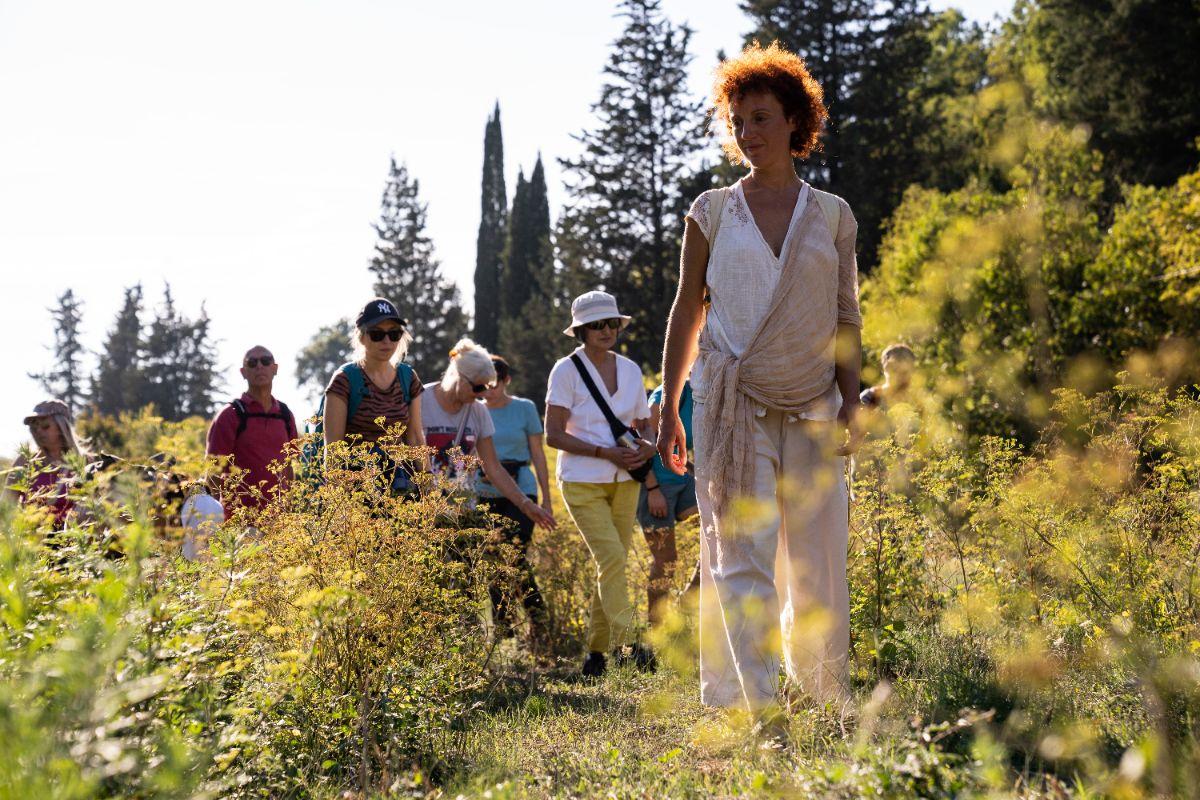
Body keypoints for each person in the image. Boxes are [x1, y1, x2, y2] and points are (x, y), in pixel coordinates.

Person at [657, 42, 863, 714]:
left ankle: (825, 695)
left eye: (761, 118)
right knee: (741, 554)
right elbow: (688, 309)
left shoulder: (832, 215)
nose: (747, 133)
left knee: (818, 558)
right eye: (738, 121)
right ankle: (755, 707)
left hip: (814, 403)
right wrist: (669, 409)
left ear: (795, 121)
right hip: (732, 404)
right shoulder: (712, 211)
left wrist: (852, 403)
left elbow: (846, 316)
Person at [545, 290, 657, 678]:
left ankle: (596, 654)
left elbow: (644, 424)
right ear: (581, 331)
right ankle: (628, 645)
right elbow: (553, 435)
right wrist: (604, 452)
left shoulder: (630, 369)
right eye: (596, 325)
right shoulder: (564, 371)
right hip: (582, 481)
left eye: (612, 323)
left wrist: (648, 446)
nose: (606, 330)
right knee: (611, 558)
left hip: (627, 479)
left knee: (611, 563)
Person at [479, 355, 552, 636]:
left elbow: (538, 454)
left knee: (515, 554)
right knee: (492, 557)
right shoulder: (475, 409)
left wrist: (546, 498)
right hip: (484, 490)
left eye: (495, 384)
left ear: (506, 380)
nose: (489, 390)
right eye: (484, 384)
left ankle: (538, 620)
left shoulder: (525, 408)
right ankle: (504, 628)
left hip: (522, 488)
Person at [322, 298, 426, 489]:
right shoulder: (344, 380)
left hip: (401, 486)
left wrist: (428, 485)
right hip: (357, 489)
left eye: (394, 334)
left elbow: (415, 437)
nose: (387, 341)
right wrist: (337, 498)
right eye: (377, 334)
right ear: (361, 337)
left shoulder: (408, 377)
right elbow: (333, 449)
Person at [206, 345, 297, 519]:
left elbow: (289, 467)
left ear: (275, 368)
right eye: (252, 363)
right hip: (238, 522)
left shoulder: (285, 415)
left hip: (279, 522)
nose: (259, 366)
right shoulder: (230, 415)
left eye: (265, 361)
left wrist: (290, 511)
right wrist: (212, 522)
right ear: (243, 372)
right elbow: (213, 472)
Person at [638, 379, 698, 627]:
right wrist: (652, 489)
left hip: (682, 481)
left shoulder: (703, 395)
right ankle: (656, 628)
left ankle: (687, 603)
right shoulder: (669, 392)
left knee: (719, 537)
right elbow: (641, 442)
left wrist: (691, 469)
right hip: (654, 485)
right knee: (666, 560)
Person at [8, 400, 88, 528]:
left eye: (45, 426)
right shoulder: (25, 462)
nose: (38, 431)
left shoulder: (86, 463)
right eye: (34, 428)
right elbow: (6, 506)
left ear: (62, 427)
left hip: (74, 537)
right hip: (32, 537)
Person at [860, 344, 915, 411]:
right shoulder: (869, 398)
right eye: (894, 371)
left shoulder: (918, 401)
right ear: (884, 368)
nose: (899, 376)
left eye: (904, 372)